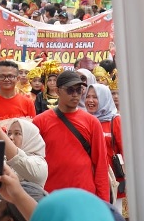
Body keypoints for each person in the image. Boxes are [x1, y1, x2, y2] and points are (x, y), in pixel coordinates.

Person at [32, 69, 110, 200]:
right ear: (57, 91)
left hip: (84, 194)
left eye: (78, 90)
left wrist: (103, 202)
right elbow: (32, 162)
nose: (75, 94)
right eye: (70, 90)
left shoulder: (92, 122)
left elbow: (101, 164)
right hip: (50, 195)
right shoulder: (40, 121)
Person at [85, 83, 126, 209]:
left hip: (112, 180)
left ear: (104, 98)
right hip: (88, 179)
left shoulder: (115, 121)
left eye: (95, 97)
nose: (90, 101)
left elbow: (126, 151)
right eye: (88, 96)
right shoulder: (84, 120)